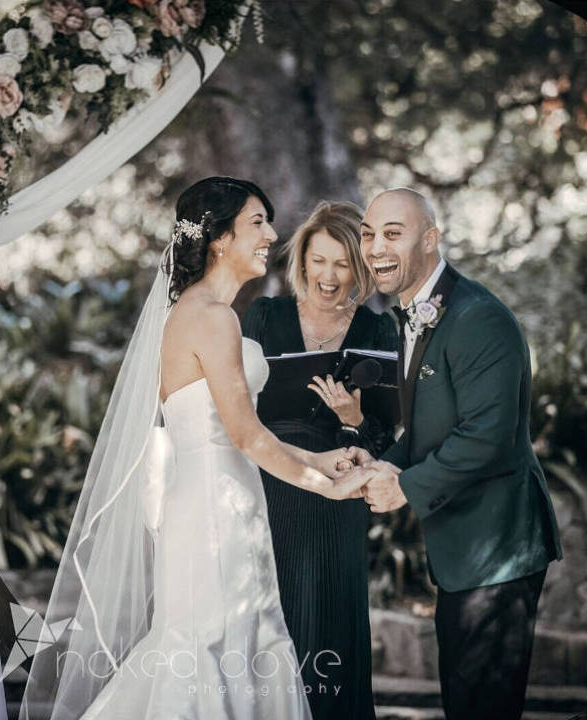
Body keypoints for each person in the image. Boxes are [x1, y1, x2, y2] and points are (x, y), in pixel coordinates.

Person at [19, 177, 372, 720]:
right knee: (212, 648)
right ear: (219, 239)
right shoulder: (211, 316)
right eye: (257, 222)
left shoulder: (198, 310)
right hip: (215, 511)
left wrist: (320, 459)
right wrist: (331, 489)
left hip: (224, 500)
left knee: (227, 644)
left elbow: (235, 431)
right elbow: (245, 436)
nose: (271, 235)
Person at [350, 187, 563, 720]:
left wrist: (403, 487)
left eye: (393, 234)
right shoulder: (418, 313)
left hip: (498, 546)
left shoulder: (477, 318)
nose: (376, 247)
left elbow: (488, 436)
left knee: (483, 708)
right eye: (369, 234)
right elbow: (430, 428)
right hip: (461, 551)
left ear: (431, 239)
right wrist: (384, 464)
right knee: (463, 702)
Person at [241, 200, 396, 719]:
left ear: (360, 268)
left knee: (330, 618)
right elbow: (234, 407)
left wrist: (353, 417)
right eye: (318, 261)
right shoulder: (266, 316)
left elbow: (384, 440)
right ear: (302, 260)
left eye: (342, 264)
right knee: (272, 614)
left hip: (338, 496)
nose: (328, 277)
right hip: (270, 485)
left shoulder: (378, 331)